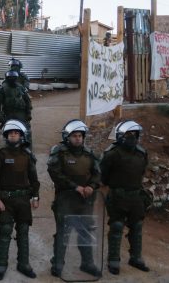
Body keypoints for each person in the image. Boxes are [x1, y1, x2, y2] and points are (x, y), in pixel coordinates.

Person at [47, 119, 101, 278]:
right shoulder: (59, 152)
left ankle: (88, 263)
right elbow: (55, 173)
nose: (78, 138)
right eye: (74, 136)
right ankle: (58, 263)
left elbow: (98, 173)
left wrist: (91, 186)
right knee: (63, 231)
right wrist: (74, 186)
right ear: (67, 137)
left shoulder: (89, 154)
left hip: (85, 200)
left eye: (80, 136)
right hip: (65, 200)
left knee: (85, 231)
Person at [0, 119, 39, 280]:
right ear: (6, 135)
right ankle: (1, 264)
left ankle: (23, 263)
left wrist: (35, 196)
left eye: (16, 133)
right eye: (10, 133)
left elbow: (34, 178)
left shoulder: (27, 154)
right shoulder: (0, 154)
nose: (13, 136)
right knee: (5, 230)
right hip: (5, 199)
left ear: (21, 136)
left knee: (23, 231)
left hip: (23, 199)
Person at [100, 120, 150, 275]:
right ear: (121, 136)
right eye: (128, 135)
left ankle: (136, 257)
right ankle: (113, 259)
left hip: (135, 195)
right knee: (116, 226)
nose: (132, 138)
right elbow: (104, 175)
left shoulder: (142, 153)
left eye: (135, 135)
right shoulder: (112, 154)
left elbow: (141, 173)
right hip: (117, 195)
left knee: (137, 226)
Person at [0, 70, 33, 147]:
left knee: (26, 130)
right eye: (10, 78)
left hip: (21, 113)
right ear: (7, 78)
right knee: (7, 130)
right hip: (8, 113)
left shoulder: (21, 87)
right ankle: (8, 147)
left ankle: (28, 149)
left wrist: (28, 113)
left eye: (14, 78)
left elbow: (28, 101)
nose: (12, 79)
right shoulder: (3, 89)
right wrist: (0, 115)